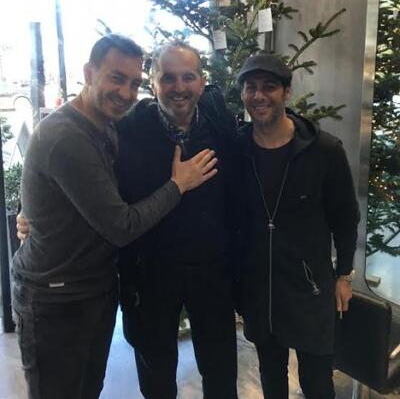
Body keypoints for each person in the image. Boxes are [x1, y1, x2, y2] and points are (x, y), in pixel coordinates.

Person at [11, 34, 218, 399]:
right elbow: (121, 226)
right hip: (56, 296)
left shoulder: (108, 125)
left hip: (95, 288)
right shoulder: (67, 137)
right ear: (89, 73)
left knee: (87, 389)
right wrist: (179, 184)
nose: (126, 92)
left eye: (134, 83)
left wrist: (31, 209)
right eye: (116, 78)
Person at [116, 41, 238, 399]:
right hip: (151, 274)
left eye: (188, 77)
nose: (179, 87)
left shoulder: (221, 127)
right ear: (153, 82)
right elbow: (88, 175)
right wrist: (31, 210)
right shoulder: (127, 131)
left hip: (212, 271)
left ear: (202, 82)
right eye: (168, 78)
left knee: (220, 374)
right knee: (156, 377)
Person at [234, 51, 359, 399]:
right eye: (250, 87)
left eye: (269, 87)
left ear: (286, 92)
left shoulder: (324, 151)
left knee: (317, 384)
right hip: (260, 291)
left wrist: (344, 275)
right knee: (271, 378)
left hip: (310, 289)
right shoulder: (237, 149)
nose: (258, 95)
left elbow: (346, 217)